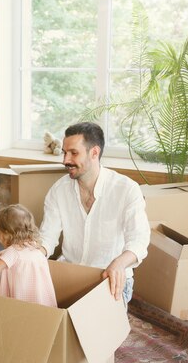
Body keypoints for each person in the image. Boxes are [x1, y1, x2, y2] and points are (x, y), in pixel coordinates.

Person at [39, 122, 150, 306]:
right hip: (69, 274)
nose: (65, 160)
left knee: (93, 330)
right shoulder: (58, 190)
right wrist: (29, 256)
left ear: (94, 153)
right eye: (65, 152)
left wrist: (120, 263)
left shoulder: (126, 189)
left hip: (108, 278)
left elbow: (139, 240)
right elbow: (47, 238)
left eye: (73, 153)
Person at [0, 204, 57, 308]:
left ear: (5, 234)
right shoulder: (35, 247)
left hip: (21, 303)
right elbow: (4, 254)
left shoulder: (13, 252)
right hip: (41, 301)